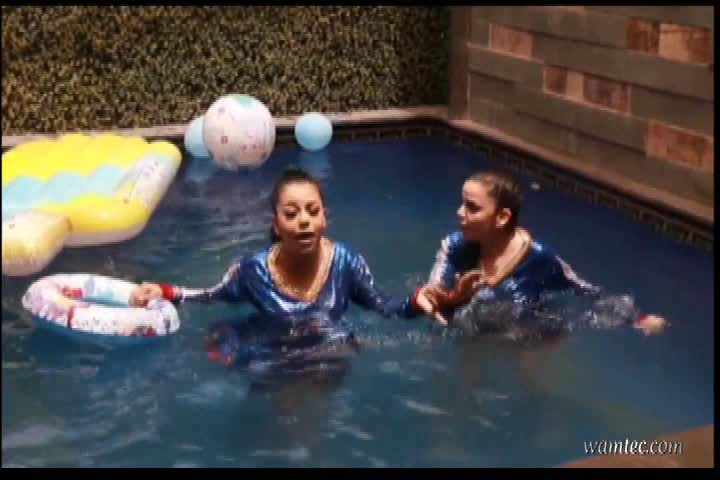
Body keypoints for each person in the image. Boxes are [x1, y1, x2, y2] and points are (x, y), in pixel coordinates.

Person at [130, 167, 428, 388]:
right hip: (273, 358)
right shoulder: (254, 271)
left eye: (312, 211)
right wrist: (165, 291)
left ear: (324, 218)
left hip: (326, 359)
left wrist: (416, 302)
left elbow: (385, 307)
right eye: (291, 213)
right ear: (276, 224)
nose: (304, 220)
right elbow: (212, 295)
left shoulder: (346, 261)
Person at [414, 170, 667, 341]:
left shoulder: (538, 257)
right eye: (462, 203)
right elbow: (433, 289)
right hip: (476, 337)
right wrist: (441, 297)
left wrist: (638, 319)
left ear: (502, 217)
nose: (460, 212)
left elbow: (586, 291)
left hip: (530, 338)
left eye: (472, 207)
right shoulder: (454, 247)